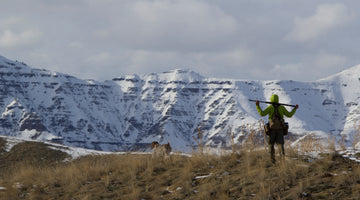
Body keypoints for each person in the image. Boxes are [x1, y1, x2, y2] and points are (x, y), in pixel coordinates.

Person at [255, 94, 298, 163]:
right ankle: (282, 161)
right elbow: (289, 115)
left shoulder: (270, 108)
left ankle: (272, 161)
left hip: (271, 129)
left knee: (271, 145)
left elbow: (262, 113)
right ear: (278, 99)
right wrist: (295, 109)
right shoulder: (282, 108)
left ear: (271, 100)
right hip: (280, 129)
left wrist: (257, 105)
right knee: (280, 145)